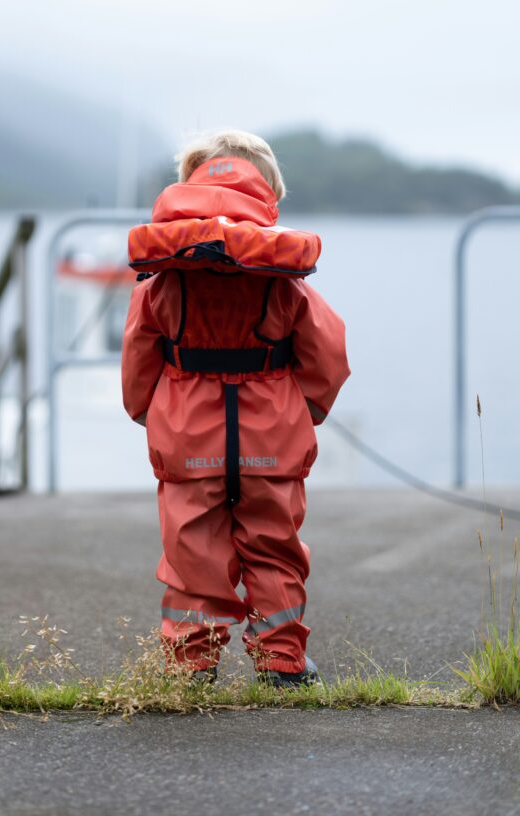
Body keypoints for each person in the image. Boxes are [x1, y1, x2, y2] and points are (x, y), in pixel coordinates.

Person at [121, 130, 350, 687]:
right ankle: (281, 661)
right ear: (268, 194)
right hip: (272, 439)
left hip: (187, 436)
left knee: (192, 551)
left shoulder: (163, 279)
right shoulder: (282, 278)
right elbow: (328, 356)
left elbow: (138, 362)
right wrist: (306, 412)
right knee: (274, 548)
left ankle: (189, 665)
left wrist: (150, 415)